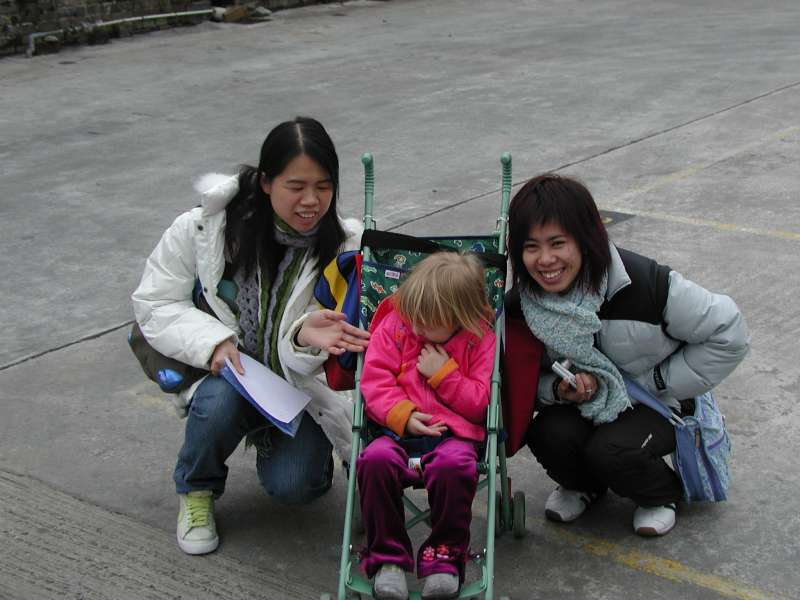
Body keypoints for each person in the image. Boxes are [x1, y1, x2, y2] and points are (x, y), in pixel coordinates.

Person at [131, 117, 370, 555]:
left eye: (323, 186)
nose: (311, 201)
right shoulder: (203, 229)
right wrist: (213, 342)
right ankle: (196, 488)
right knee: (219, 401)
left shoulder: (347, 246)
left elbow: (356, 349)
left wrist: (302, 338)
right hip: (228, 375)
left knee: (298, 485)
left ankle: (278, 441)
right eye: (296, 186)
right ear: (265, 182)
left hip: (298, 392)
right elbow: (155, 302)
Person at [505, 173, 749, 537]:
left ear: (585, 239)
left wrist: (659, 381)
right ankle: (585, 486)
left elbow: (729, 332)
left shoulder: (646, 284)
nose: (546, 260)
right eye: (531, 247)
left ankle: (660, 495)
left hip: (656, 401)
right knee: (545, 433)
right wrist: (558, 389)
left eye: (557, 243)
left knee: (612, 450)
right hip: (588, 403)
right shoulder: (524, 306)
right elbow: (522, 378)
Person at [356, 252, 496, 600]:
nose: (416, 328)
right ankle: (387, 559)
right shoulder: (398, 326)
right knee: (373, 461)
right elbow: (375, 381)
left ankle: (444, 557)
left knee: (455, 467)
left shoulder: (480, 340)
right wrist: (402, 415)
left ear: (460, 318)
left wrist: (444, 375)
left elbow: (481, 404)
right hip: (396, 431)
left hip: (453, 437)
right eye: (413, 316)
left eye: (428, 322)